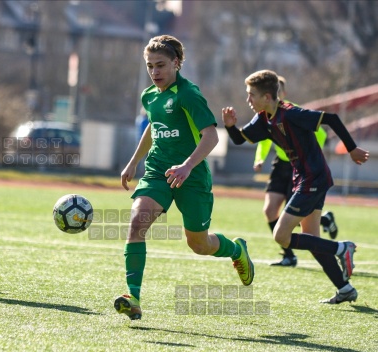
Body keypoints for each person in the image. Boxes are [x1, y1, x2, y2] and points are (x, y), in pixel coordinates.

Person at [115, 35, 254, 321]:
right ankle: (134, 297)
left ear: (176, 64)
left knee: (199, 245)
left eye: (161, 65)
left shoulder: (188, 94)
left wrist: (187, 166)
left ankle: (236, 249)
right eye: (150, 66)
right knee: (136, 224)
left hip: (192, 177)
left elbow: (211, 136)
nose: (155, 72)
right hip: (157, 172)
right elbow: (154, 128)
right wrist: (133, 162)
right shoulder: (149, 96)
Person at [222, 69, 369, 304]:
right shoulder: (263, 118)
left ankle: (342, 248)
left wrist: (351, 149)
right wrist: (230, 126)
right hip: (305, 178)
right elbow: (240, 139)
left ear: (267, 97)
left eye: (252, 95)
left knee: (282, 235)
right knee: (311, 238)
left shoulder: (290, 113)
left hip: (313, 178)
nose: (248, 100)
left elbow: (331, 119)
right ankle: (345, 288)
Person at [253, 75, 338, 267]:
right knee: (269, 209)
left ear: (283, 93)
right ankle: (289, 255)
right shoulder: (267, 115)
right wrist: (259, 159)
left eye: (280, 91)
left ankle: (325, 222)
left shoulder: (293, 111)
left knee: (293, 216)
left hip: (299, 168)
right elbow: (265, 138)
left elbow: (322, 132)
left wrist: (310, 154)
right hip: (279, 166)